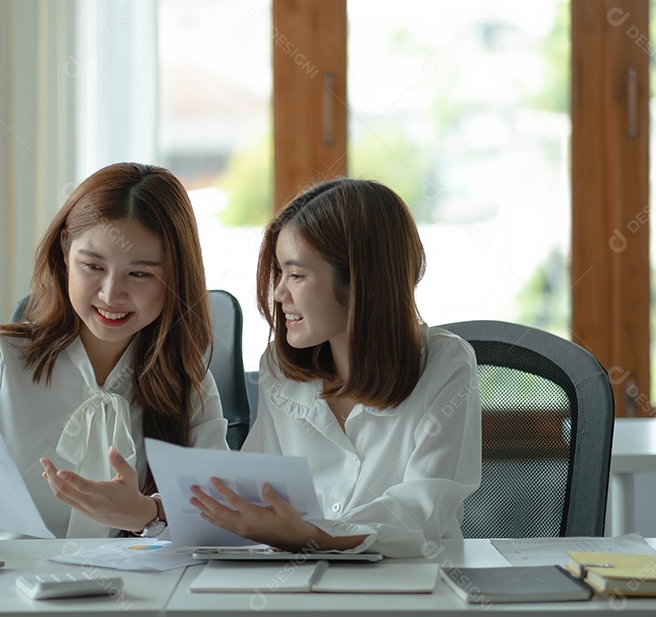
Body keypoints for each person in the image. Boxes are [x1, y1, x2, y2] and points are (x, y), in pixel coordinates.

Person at [0, 162, 228, 541]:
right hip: (5, 578)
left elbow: (220, 521)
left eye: (139, 274)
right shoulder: (0, 360)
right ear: (65, 253)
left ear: (175, 276)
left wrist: (147, 514)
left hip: (127, 580)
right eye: (93, 266)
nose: (111, 294)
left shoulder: (187, 381)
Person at [189, 179, 481, 558]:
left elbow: (421, 513)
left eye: (296, 275)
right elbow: (257, 490)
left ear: (361, 281)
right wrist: (157, 509)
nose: (278, 293)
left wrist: (315, 535)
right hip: (296, 578)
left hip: (409, 579)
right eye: (278, 272)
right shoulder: (279, 368)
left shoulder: (445, 365)